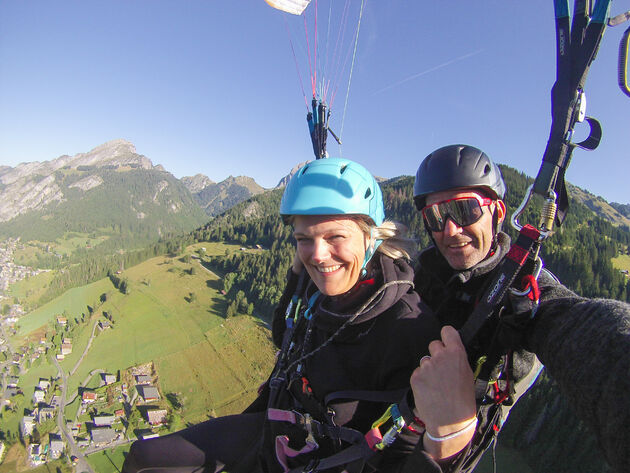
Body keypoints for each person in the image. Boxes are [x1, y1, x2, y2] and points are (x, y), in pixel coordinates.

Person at [122, 157, 477, 473]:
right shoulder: (318, 284)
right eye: (303, 238)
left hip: (325, 459)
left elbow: (397, 455)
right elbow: (283, 334)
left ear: (371, 238)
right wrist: (297, 273)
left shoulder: (406, 329)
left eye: (335, 236)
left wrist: (448, 438)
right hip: (274, 432)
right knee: (142, 458)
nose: (319, 254)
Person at [403, 144, 630, 473]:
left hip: (454, 441)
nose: (450, 230)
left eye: (465, 210)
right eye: (436, 217)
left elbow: (584, 329)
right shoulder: (424, 271)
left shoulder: (524, 288)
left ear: (497, 212)